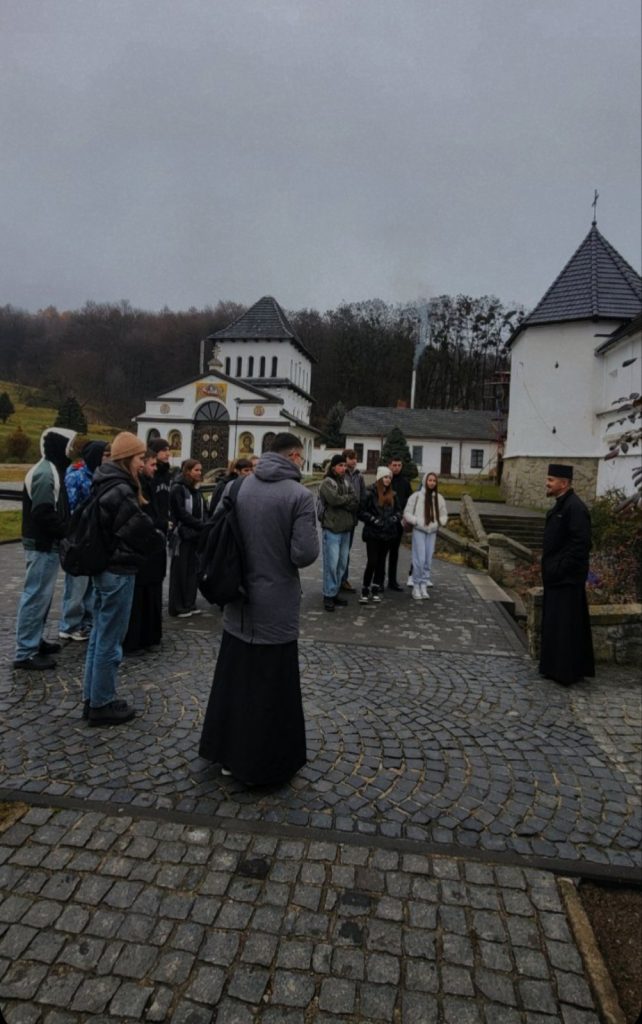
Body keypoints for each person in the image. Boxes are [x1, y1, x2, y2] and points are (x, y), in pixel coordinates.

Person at [199, 432, 319, 785]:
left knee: (234, 680)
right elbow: (304, 554)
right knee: (270, 686)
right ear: (294, 456)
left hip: (237, 600)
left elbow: (216, 530)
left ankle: (225, 755)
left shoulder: (238, 487)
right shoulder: (300, 496)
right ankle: (263, 765)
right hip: (275, 606)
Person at [82, 432, 165, 725]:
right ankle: (102, 703)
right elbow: (138, 528)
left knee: (98, 636)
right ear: (128, 458)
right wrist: (159, 538)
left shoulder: (104, 481)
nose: (144, 462)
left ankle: (92, 697)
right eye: (141, 458)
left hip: (105, 569)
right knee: (110, 639)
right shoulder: (120, 489)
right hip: (118, 571)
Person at [13, 426, 77, 670]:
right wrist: (65, 530)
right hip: (41, 544)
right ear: (59, 447)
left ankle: (34, 640)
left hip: (46, 544)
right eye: (68, 446)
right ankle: (25, 652)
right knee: (35, 595)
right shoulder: (45, 473)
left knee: (42, 596)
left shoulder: (52, 470)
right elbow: (42, 512)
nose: (70, 451)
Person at [539, 464, 595, 686]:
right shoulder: (564, 505)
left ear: (564, 483)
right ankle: (554, 668)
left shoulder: (575, 508)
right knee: (556, 626)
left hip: (566, 580)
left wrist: (558, 568)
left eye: (551, 480)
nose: (547, 483)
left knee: (566, 628)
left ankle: (566, 672)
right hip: (557, 579)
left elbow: (581, 545)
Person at [58, 440, 108, 642]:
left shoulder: (101, 476)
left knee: (90, 585)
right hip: (78, 536)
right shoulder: (76, 476)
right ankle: (69, 625)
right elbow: (69, 507)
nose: (108, 458)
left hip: (94, 537)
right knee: (76, 586)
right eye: (105, 454)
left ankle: (86, 623)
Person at [122, 450, 167, 655]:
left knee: (151, 594)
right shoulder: (133, 488)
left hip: (152, 551)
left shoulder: (148, 484)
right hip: (142, 550)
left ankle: (149, 635)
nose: (154, 468)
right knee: (138, 598)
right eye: (151, 464)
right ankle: (135, 639)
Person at [319, 454, 359, 612]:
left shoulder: (347, 483)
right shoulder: (326, 483)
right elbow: (333, 500)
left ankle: (334, 592)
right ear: (333, 467)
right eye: (340, 465)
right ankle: (328, 595)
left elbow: (356, 502)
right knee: (331, 563)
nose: (343, 468)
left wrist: (345, 500)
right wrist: (347, 499)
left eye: (344, 465)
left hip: (346, 529)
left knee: (342, 564)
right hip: (332, 529)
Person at [168, 459, 206, 617]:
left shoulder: (195, 490)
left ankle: (189, 603)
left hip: (194, 536)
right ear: (188, 471)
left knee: (192, 571)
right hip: (182, 535)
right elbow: (181, 512)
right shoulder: (178, 488)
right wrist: (200, 524)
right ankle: (178, 606)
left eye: (200, 470)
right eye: (196, 470)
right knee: (180, 571)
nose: (200, 473)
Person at [359, 467, 403, 603]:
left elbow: (399, 511)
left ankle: (376, 588)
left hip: (388, 533)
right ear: (379, 478)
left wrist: (394, 519)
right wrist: (373, 520)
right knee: (372, 561)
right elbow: (361, 511)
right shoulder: (369, 492)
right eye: (385, 477)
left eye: (389, 477)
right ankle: (365, 589)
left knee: (381, 562)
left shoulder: (393, 495)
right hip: (373, 533)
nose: (388, 480)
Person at [403, 471, 448, 600]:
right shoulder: (416, 496)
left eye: (434, 481)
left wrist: (440, 522)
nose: (432, 483)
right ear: (425, 481)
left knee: (428, 559)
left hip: (432, 531)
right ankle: (416, 585)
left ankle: (424, 584)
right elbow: (407, 513)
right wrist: (416, 521)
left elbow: (444, 514)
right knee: (419, 559)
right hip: (419, 530)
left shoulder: (439, 498)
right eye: (430, 480)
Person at [340, 448, 367, 592]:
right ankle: (336, 580)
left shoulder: (359, 476)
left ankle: (343, 579)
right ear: (345, 460)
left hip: (352, 520)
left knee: (346, 551)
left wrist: (362, 513)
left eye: (356, 458)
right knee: (337, 551)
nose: (354, 461)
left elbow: (363, 496)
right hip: (339, 519)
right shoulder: (340, 474)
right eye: (351, 458)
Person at [385, 457, 412, 590]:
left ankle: (392, 580)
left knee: (394, 553)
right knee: (382, 553)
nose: (396, 467)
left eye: (399, 465)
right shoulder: (385, 479)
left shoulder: (405, 482)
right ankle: (378, 581)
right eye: (394, 465)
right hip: (385, 522)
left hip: (398, 522)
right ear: (389, 465)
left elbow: (410, 500)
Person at [148, 438, 173, 533]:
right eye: (164, 450)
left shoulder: (167, 474)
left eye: (168, 450)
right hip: (152, 526)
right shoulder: (150, 474)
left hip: (166, 525)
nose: (168, 454)